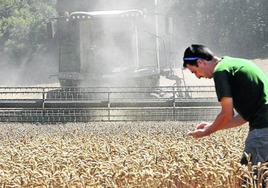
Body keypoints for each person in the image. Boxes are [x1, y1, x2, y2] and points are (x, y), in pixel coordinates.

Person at [183, 44, 268, 165]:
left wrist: (206, 132)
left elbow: (226, 114)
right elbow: (245, 116)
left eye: (194, 72)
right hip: (264, 125)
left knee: (249, 177)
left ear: (200, 62)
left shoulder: (221, 71)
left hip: (263, 130)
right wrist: (212, 125)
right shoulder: (235, 63)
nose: (198, 77)